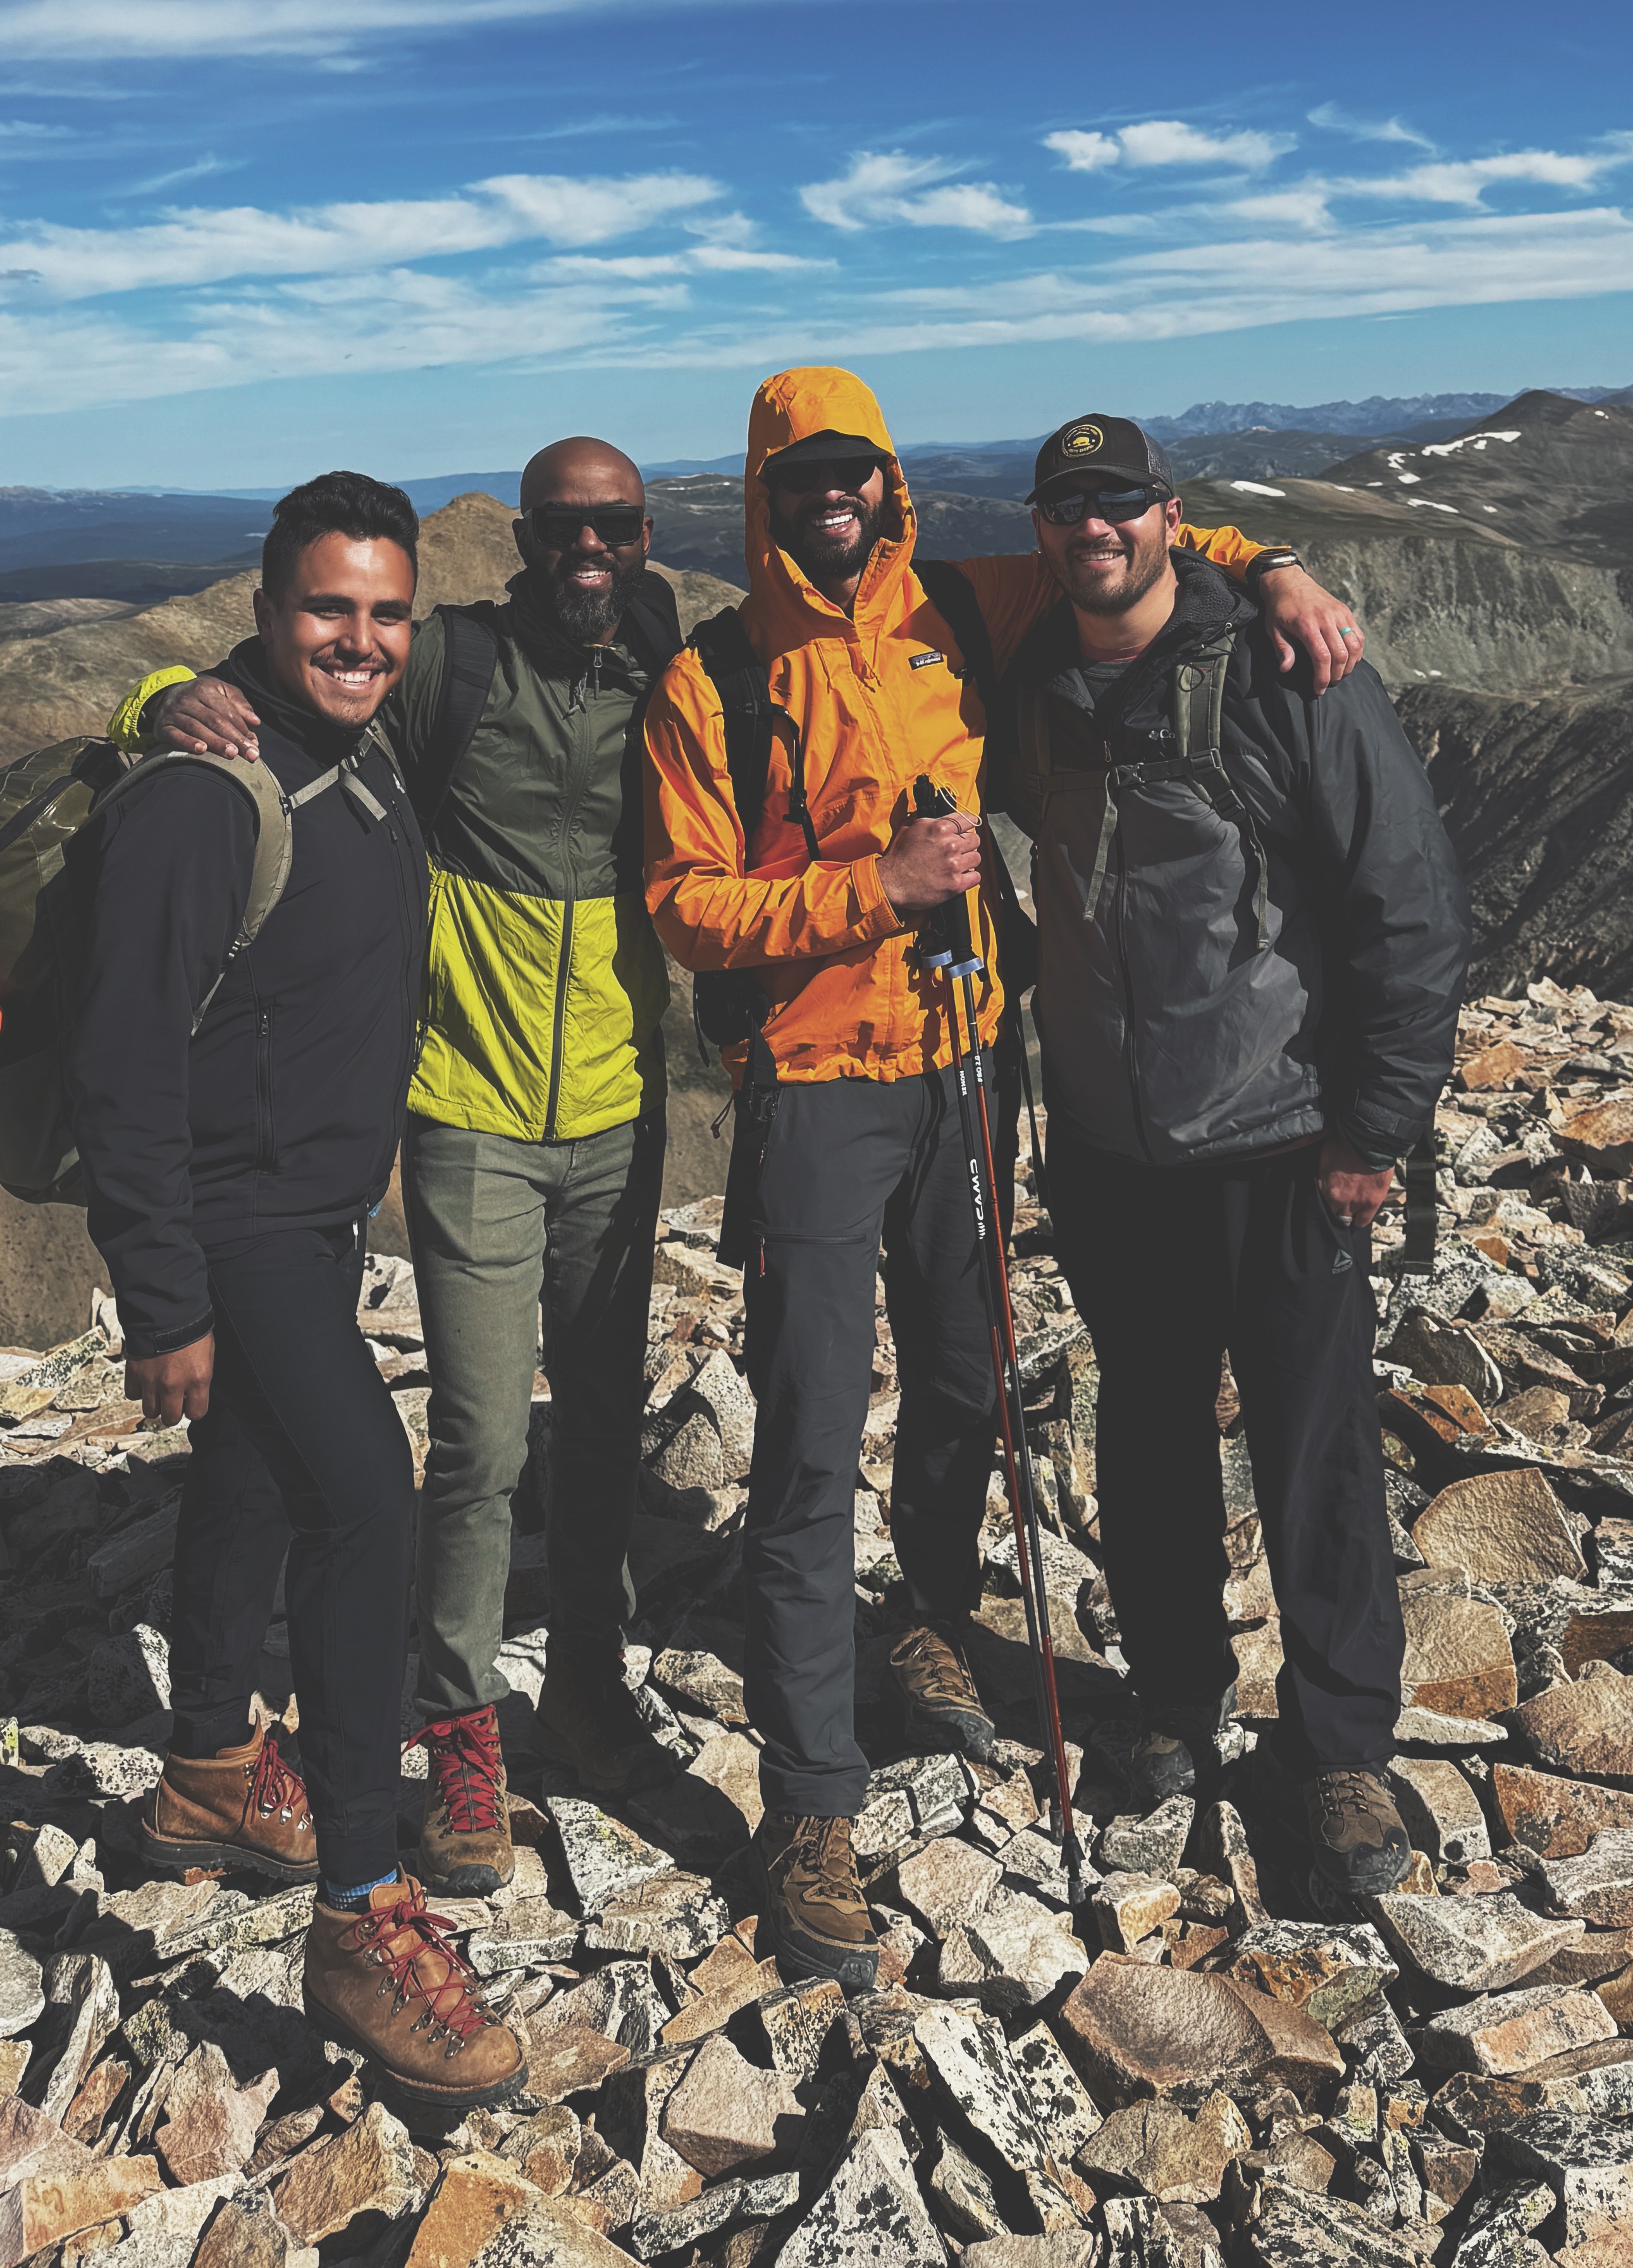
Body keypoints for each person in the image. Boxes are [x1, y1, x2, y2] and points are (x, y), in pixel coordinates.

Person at [640, 363, 1365, 1989]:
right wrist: (868, 886)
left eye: (858, 473)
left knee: (969, 1383)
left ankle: (931, 1614)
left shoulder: (961, 607)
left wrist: (1285, 568)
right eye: (804, 480)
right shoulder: (713, 678)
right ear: (765, 498)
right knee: (813, 1426)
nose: (836, 500)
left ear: (889, 484)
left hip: (969, 1060)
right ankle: (810, 1797)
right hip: (822, 1086)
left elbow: (1146, 548)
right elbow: (684, 904)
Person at [116, 440, 681, 1897]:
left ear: (642, 533)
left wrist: (1263, 564)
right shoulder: (445, 671)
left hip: (611, 1112)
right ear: (526, 538)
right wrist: (153, 699)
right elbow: (248, 712)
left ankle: (584, 1694)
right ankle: (432, 1762)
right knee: (467, 1451)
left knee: (593, 1429)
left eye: (615, 526)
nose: (589, 550)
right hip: (465, 1117)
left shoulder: (666, 656)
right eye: (563, 527)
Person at [68, 470, 527, 2122]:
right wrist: (162, 1295)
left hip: (316, 1214)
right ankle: (357, 1910)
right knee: (366, 1505)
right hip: (239, 1222)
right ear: (265, 612)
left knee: (256, 1483)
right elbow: (123, 1057)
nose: (361, 638)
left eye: (385, 613)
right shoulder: (210, 793)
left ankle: (202, 1763)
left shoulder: (355, 756)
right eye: (330, 609)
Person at [986, 413, 1469, 1911]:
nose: (1094, 532)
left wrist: (1371, 1131)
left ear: (1165, 515)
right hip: (1116, 1153)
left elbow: (1404, 895)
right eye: (1069, 509)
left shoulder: (1279, 667)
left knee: (1311, 1448)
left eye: (1119, 506)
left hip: (1277, 1139)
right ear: (1045, 527)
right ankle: (1176, 1696)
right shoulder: (1028, 671)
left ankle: (1337, 1747)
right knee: (1141, 1442)